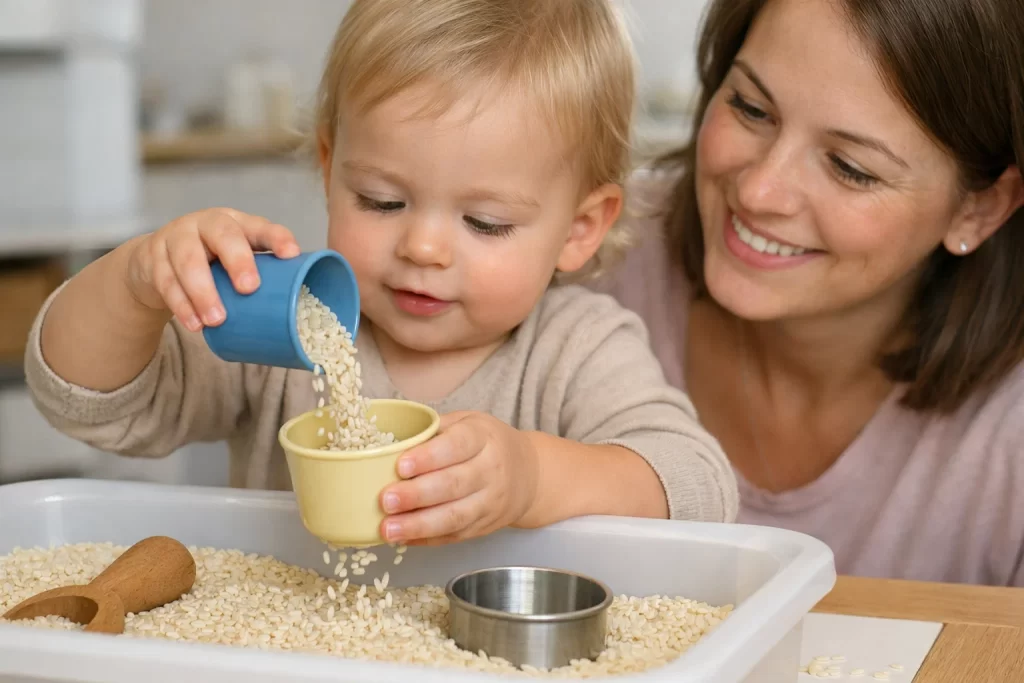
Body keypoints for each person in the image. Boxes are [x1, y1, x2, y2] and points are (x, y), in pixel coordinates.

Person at [23, 0, 739, 547]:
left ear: (580, 229)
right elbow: (85, 402)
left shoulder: (577, 350)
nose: (423, 247)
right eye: (382, 200)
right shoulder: (286, 323)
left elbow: (700, 486)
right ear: (331, 166)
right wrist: (133, 284)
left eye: (485, 221)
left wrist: (534, 479)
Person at [595, 0, 1024, 585]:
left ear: (980, 208)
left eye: (850, 167)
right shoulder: (585, 251)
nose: (760, 190)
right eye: (750, 107)